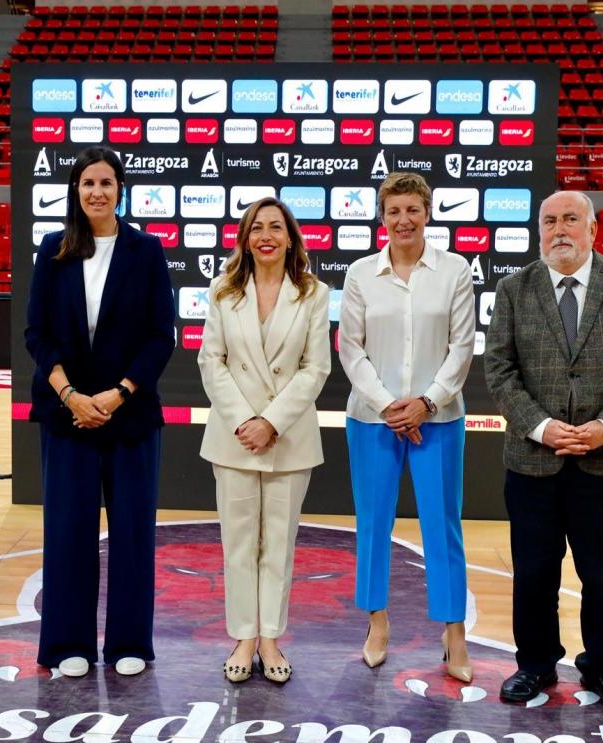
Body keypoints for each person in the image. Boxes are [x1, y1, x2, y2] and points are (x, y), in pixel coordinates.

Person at [484, 190, 603, 715]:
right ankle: (536, 664)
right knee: (535, 571)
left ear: (593, 230)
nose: (559, 228)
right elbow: (499, 370)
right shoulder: (514, 288)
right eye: (550, 220)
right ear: (539, 230)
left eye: (571, 219)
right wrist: (541, 428)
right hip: (534, 460)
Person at [25, 146, 175, 678]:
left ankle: (129, 642)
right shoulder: (53, 250)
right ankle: (68, 644)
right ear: (75, 189)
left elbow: (162, 336)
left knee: (133, 530)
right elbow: (36, 335)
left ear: (120, 189)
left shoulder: (146, 250)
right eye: (88, 182)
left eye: (106, 183)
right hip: (67, 415)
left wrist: (119, 393)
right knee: (68, 531)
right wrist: (70, 396)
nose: (97, 192)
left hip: (128, 416)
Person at [338, 172, 475, 681]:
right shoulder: (359, 273)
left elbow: (462, 347)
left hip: (439, 419)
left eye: (412, 210)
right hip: (373, 421)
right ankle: (377, 623)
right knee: (374, 524)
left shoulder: (455, 270)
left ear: (428, 212)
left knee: (443, 526)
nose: (403, 220)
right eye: (394, 211)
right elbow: (351, 348)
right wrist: (390, 406)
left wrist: (426, 402)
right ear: (382, 217)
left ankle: (453, 632)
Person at [198, 197, 330, 684]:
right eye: (257, 228)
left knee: (278, 544)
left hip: (289, 439)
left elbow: (316, 368)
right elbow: (211, 363)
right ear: (245, 238)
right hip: (233, 439)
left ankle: (271, 637)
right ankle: (244, 637)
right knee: (237, 544)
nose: (267, 235)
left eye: (276, 227)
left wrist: (271, 422)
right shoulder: (222, 291)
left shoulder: (314, 293)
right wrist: (244, 421)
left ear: (291, 237)